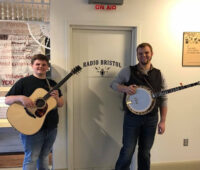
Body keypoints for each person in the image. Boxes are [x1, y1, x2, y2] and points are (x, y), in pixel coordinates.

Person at [110, 43, 167, 170]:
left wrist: (163, 121)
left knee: (145, 153)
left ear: (152, 53)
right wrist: (125, 88)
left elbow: (163, 98)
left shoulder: (159, 74)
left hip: (151, 119)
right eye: (140, 53)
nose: (143, 55)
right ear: (137, 55)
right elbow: (113, 84)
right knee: (127, 151)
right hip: (132, 118)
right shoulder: (128, 71)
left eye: (146, 52)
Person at [5, 54, 64, 170]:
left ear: (47, 67)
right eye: (38, 64)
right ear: (32, 65)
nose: (40, 67)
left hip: (51, 127)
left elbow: (61, 104)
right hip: (30, 126)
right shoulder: (23, 82)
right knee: (31, 158)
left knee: (45, 157)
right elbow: (7, 100)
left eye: (44, 65)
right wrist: (21, 98)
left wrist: (57, 98)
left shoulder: (52, 84)